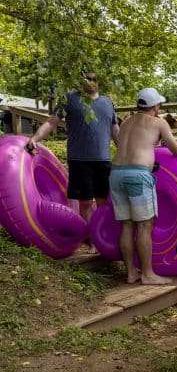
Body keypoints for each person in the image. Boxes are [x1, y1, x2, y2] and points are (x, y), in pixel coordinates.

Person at [27, 72, 119, 253]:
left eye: (94, 78)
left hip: (103, 160)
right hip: (79, 160)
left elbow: (115, 130)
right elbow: (52, 122)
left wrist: (125, 151)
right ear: (81, 81)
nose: (90, 81)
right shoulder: (70, 99)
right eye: (86, 78)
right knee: (85, 204)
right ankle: (93, 241)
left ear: (99, 81)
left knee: (102, 202)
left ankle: (102, 238)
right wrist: (35, 138)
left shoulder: (108, 103)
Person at [110, 88, 177, 285]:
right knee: (144, 225)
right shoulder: (158, 122)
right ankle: (148, 274)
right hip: (137, 175)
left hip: (116, 174)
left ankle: (131, 272)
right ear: (156, 106)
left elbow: (135, 145)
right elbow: (176, 150)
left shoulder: (127, 121)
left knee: (127, 224)